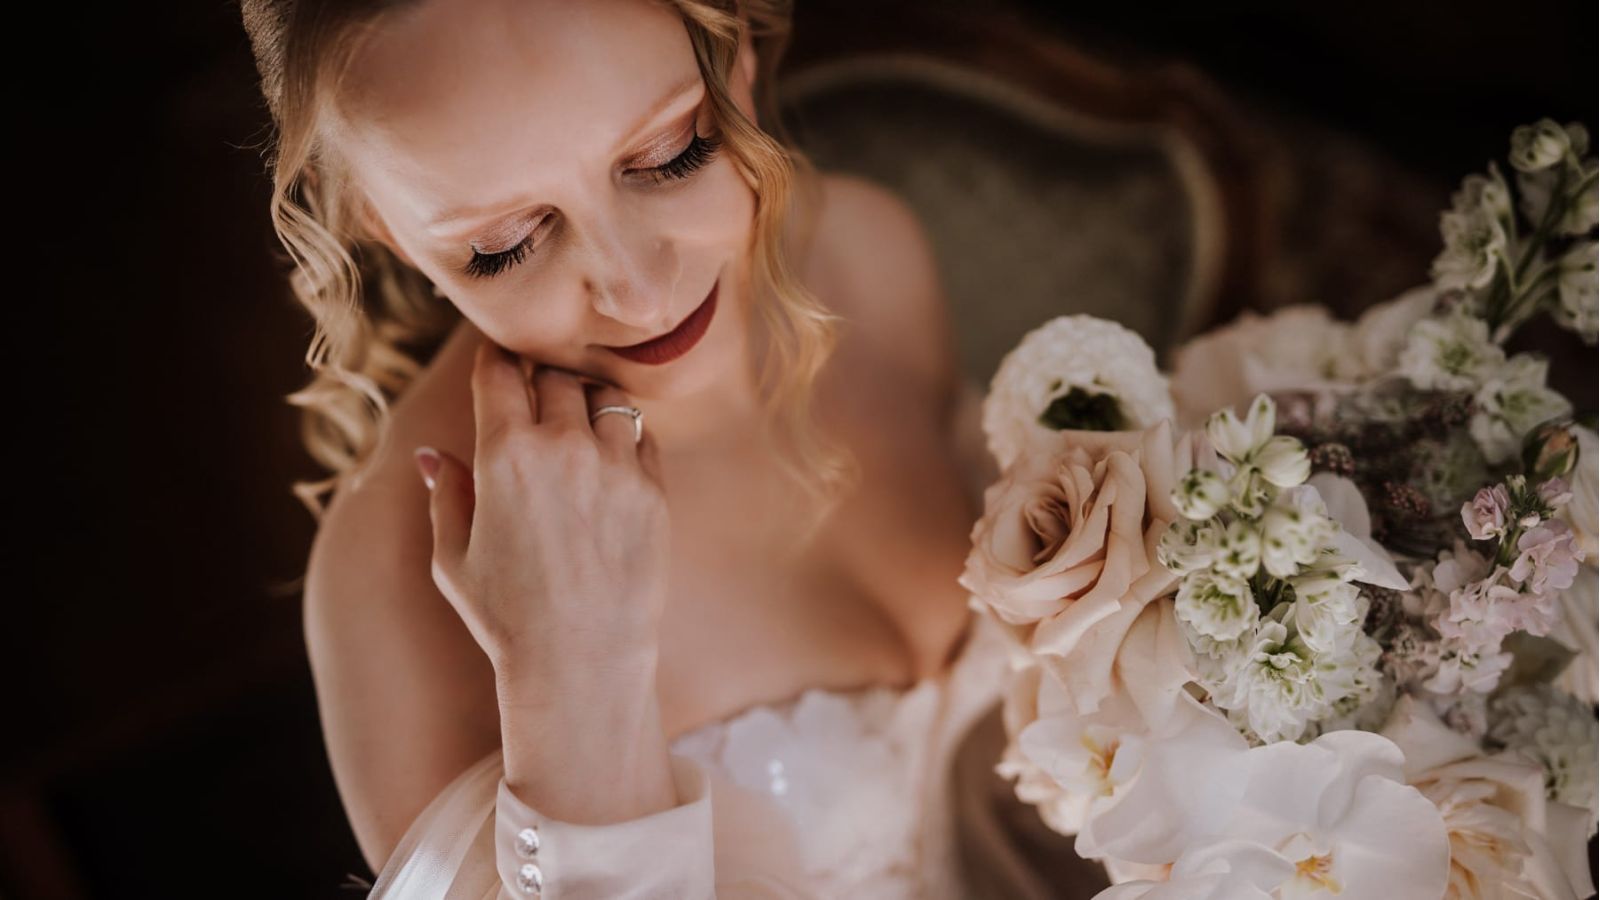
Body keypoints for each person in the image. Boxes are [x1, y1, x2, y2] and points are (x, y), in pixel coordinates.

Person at [239, 0, 1017, 895]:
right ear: (383, 226)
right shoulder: (391, 576)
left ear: (734, 54)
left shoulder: (865, 253)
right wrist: (570, 685)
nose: (640, 294)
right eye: (504, 246)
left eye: (669, 155)